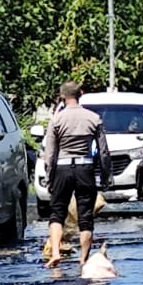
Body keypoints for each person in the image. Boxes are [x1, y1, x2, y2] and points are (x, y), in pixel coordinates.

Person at [41, 81, 108, 270]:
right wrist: (105, 175)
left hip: (62, 168)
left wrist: (49, 176)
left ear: (62, 96)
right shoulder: (93, 118)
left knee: (57, 213)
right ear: (81, 93)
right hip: (84, 168)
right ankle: (83, 259)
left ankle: (55, 253)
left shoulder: (57, 119)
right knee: (85, 216)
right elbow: (103, 151)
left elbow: (50, 153)